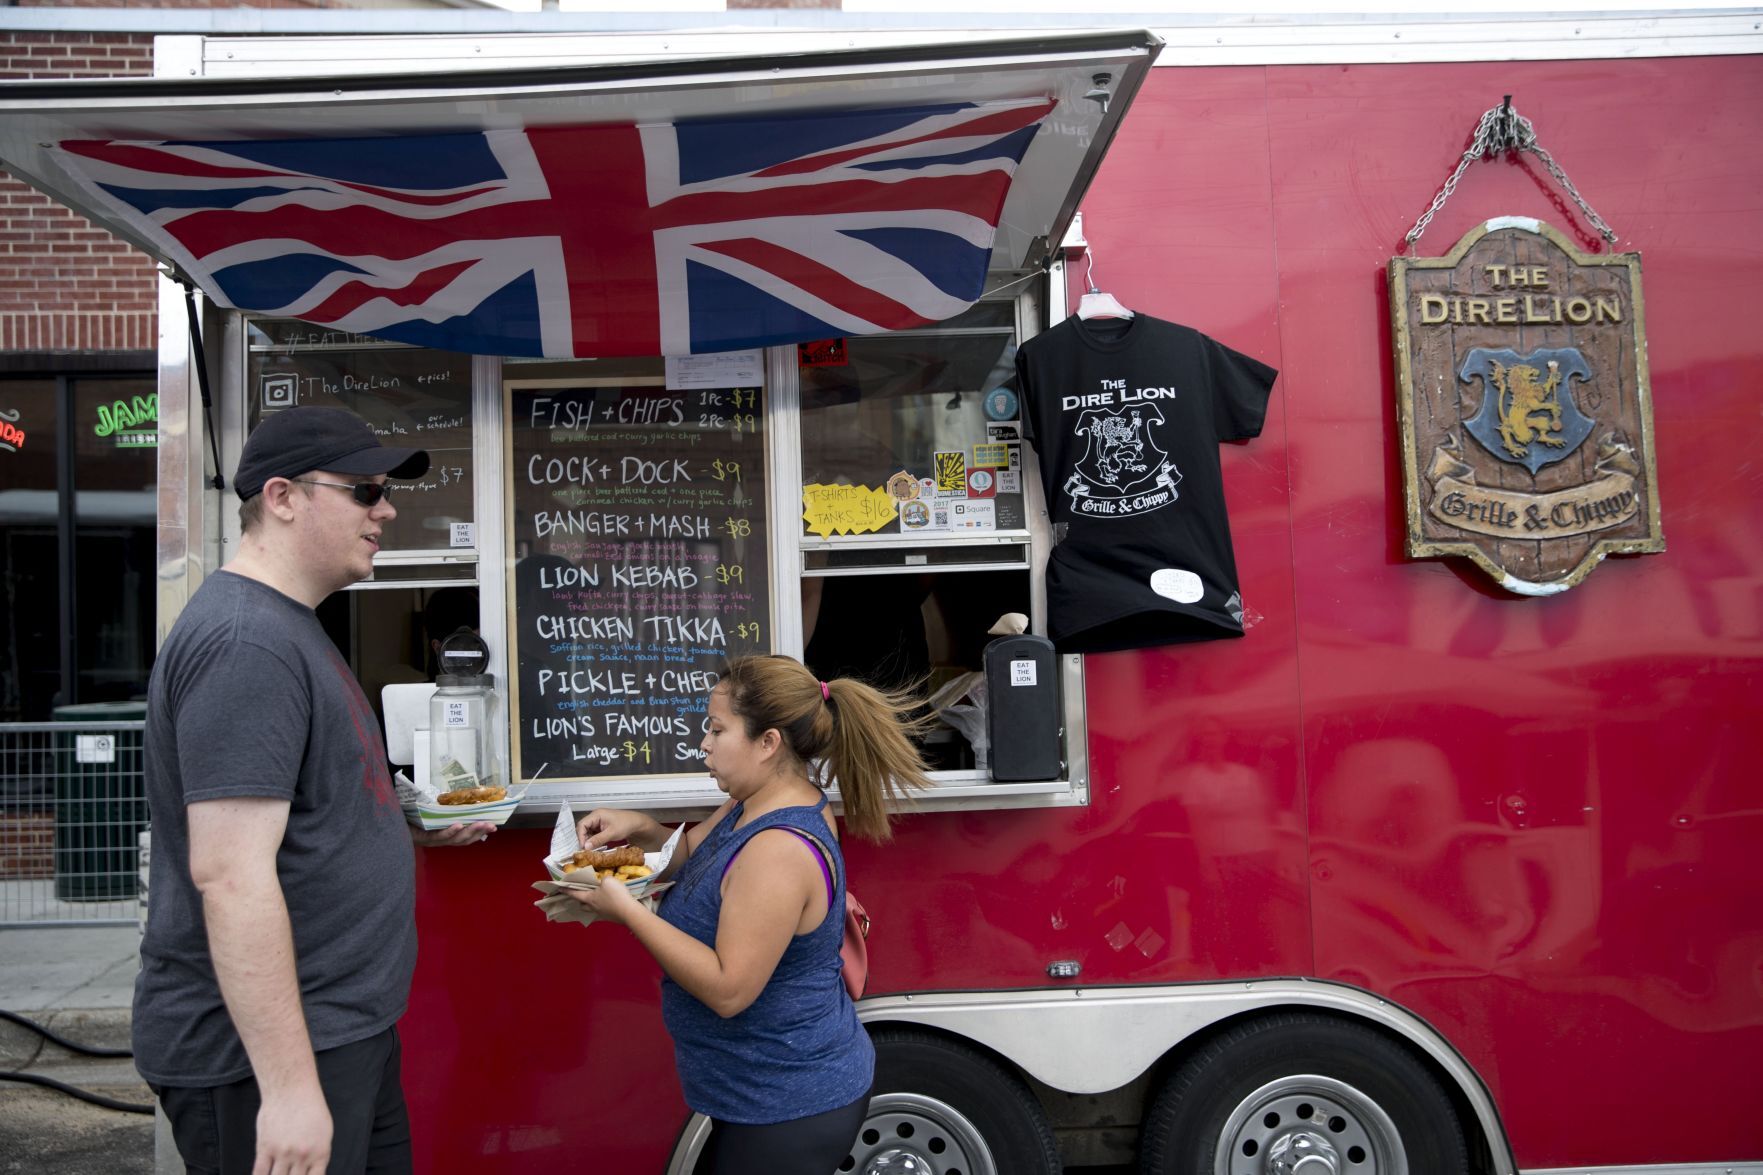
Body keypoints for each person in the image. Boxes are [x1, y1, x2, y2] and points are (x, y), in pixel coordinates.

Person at [136, 405, 495, 1175]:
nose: (387, 509)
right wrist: (292, 1089)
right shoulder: (246, 643)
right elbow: (229, 876)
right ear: (283, 497)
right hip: (268, 1057)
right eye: (366, 491)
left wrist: (403, 826)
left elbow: (300, 808)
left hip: (337, 1033)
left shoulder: (289, 625)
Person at [564, 654, 931, 1174]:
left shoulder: (778, 848)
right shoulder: (755, 799)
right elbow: (697, 856)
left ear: (768, 743)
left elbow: (729, 989)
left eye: (717, 730)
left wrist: (628, 911)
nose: (704, 744)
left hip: (789, 1103)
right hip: (757, 1094)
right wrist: (643, 828)